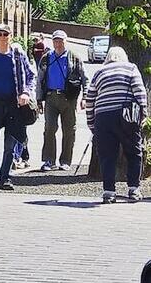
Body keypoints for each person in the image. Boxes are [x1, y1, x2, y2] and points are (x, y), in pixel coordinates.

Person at [0, 24, 36, 192]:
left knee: (10, 144)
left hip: (14, 106)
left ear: (10, 36)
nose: (2, 37)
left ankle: (5, 177)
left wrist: (25, 92)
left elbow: (32, 75)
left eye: (5, 34)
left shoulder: (18, 55)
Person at [85, 46, 147, 203]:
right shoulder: (131, 68)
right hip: (126, 116)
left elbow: (90, 98)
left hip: (103, 116)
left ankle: (109, 192)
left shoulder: (100, 72)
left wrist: (91, 122)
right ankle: (133, 189)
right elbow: (140, 91)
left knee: (107, 156)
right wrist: (143, 113)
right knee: (134, 152)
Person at [36, 29, 88, 171]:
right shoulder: (46, 58)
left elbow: (85, 78)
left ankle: (65, 161)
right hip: (51, 97)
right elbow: (39, 79)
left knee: (69, 130)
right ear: (52, 42)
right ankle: (49, 160)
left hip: (68, 98)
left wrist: (85, 97)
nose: (58, 44)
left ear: (66, 41)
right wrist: (39, 99)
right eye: (55, 41)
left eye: (61, 41)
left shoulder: (74, 58)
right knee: (49, 128)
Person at [11, 42, 34, 170]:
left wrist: (27, 93)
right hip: (11, 103)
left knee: (21, 130)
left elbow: (31, 77)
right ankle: (17, 157)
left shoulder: (24, 64)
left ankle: (19, 157)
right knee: (16, 130)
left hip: (23, 103)